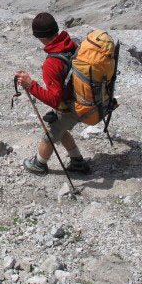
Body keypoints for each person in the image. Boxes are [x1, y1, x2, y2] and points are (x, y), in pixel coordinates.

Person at [14, 12, 89, 175]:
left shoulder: (52, 62)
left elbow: (55, 100)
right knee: (59, 126)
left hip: (72, 104)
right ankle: (77, 162)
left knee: (52, 132)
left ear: (39, 36)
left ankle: (39, 165)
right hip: (85, 98)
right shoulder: (71, 43)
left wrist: (30, 85)